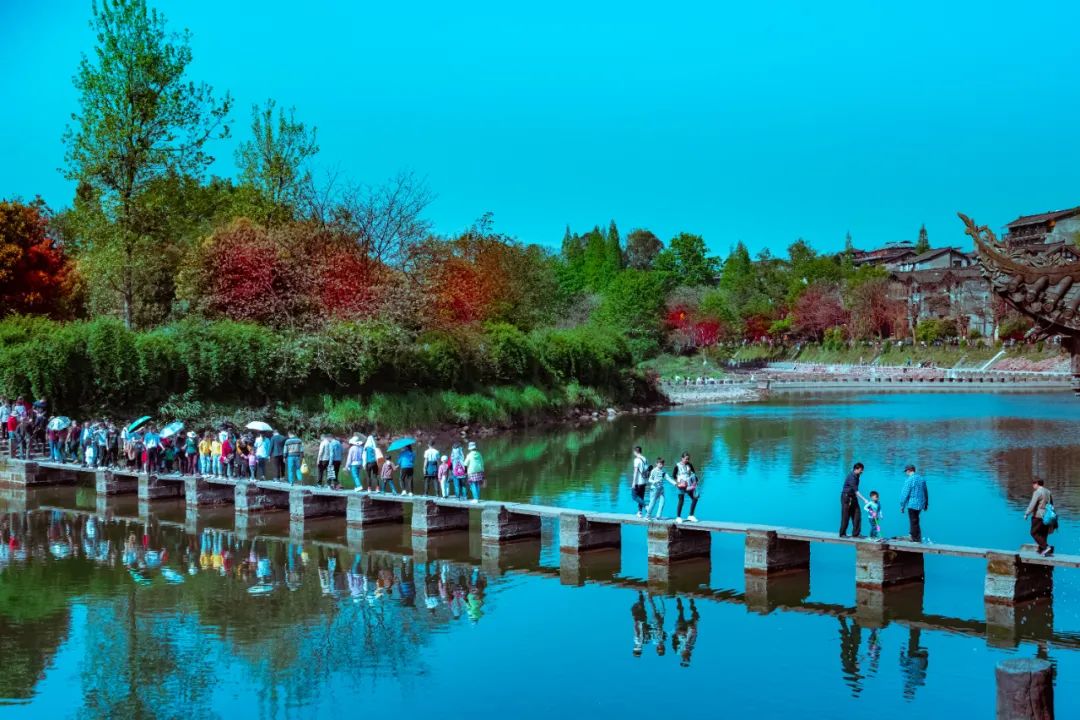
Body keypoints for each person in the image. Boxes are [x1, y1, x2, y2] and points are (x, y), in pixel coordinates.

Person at [1023, 478, 1055, 556]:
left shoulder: (1037, 492)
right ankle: (1042, 550)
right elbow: (1052, 504)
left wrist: (1026, 513)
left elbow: (1032, 504)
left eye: (1034, 483)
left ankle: (1046, 547)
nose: (1033, 485)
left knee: (1033, 532)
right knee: (1043, 533)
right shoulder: (1048, 492)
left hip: (1038, 516)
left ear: (1037, 483)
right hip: (1047, 516)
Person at [898, 464, 928, 543]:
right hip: (920, 504)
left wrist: (902, 505)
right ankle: (916, 536)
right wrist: (926, 504)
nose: (906, 473)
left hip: (912, 504)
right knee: (916, 520)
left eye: (906, 471)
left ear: (909, 470)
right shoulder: (922, 479)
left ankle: (914, 537)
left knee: (913, 520)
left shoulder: (909, 480)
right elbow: (925, 492)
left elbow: (905, 494)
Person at [672, 452, 700, 523]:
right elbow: (673, 475)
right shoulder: (677, 465)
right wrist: (678, 482)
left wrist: (696, 481)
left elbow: (694, 473)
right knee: (681, 500)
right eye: (686, 459)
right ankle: (678, 517)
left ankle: (691, 515)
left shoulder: (689, 465)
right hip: (681, 486)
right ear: (682, 458)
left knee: (695, 498)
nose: (687, 460)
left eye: (688, 459)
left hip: (689, 485)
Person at [839, 462, 865, 538]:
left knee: (857, 514)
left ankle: (856, 533)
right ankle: (842, 533)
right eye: (861, 470)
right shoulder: (851, 477)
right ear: (856, 469)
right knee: (846, 516)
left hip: (853, 497)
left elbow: (855, 492)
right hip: (846, 498)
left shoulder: (857, 475)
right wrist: (864, 500)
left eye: (862, 470)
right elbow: (856, 491)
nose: (862, 471)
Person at [631, 446, 649, 518]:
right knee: (641, 497)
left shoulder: (636, 460)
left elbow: (635, 472)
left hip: (638, 482)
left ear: (635, 452)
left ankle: (646, 506)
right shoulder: (645, 459)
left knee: (634, 496)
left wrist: (633, 482)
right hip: (644, 481)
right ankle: (640, 512)